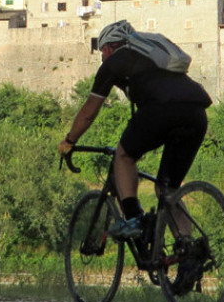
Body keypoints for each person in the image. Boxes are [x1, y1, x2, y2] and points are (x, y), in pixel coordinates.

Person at [57, 20, 213, 240]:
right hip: (196, 114)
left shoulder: (113, 63)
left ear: (109, 47)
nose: (102, 57)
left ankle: (134, 219)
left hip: (161, 110)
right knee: (167, 190)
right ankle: (187, 248)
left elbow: (89, 111)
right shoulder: (153, 56)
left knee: (123, 156)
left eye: (102, 51)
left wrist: (70, 140)